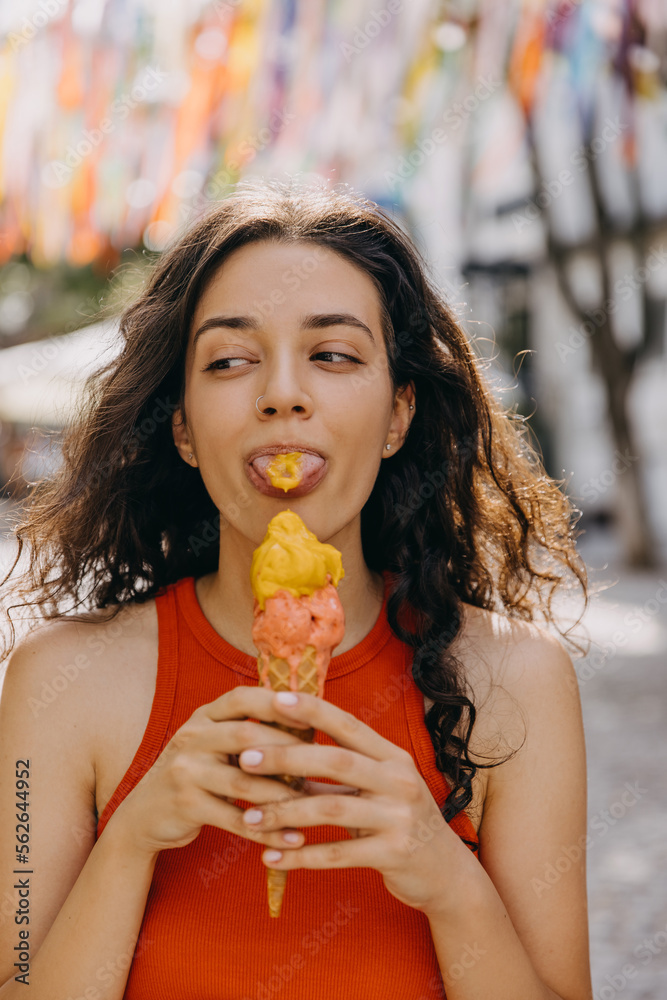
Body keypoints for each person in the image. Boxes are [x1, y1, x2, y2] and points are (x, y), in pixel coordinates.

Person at [0, 175, 593, 999]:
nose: (282, 393)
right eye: (230, 360)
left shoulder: (514, 681)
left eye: (333, 355)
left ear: (397, 415)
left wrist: (448, 879)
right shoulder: (59, 681)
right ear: (182, 427)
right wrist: (131, 839)